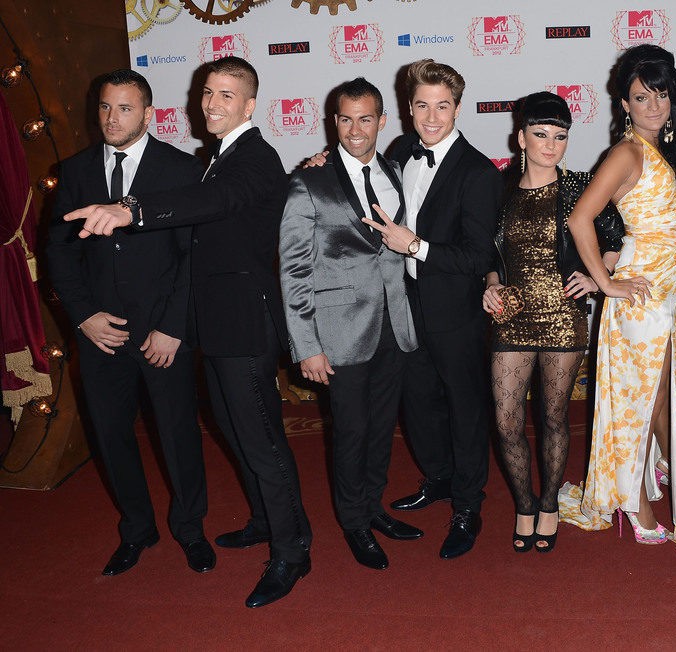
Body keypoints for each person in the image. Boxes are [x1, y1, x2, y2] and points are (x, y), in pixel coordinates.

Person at [64, 56, 312, 607]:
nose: (211, 103)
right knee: (234, 431)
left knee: (264, 442)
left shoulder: (253, 156)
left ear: (250, 105)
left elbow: (214, 203)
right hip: (215, 328)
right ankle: (266, 523)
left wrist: (131, 210)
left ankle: (293, 552)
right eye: (206, 92)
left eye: (226, 95)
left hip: (245, 326)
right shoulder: (219, 157)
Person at [46, 69, 213, 577]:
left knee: (178, 433)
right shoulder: (73, 171)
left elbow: (194, 258)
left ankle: (190, 529)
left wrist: (174, 326)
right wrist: (84, 317)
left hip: (163, 333)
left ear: (148, 112)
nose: (111, 118)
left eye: (123, 108)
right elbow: (58, 252)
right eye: (104, 107)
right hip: (100, 335)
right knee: (112, 434)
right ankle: (137, 529)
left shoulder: (183, 170)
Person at [279, 78, 422, 571]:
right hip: (338, 332)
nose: (355, 129)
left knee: (383, 428)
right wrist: (306, 345)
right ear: (332, 122)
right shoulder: (308, 181)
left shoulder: (398, 169)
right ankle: (353, 522)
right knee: (352, 431)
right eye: (345, 119)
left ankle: (373, 506)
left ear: (383, 122)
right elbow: (293, 269)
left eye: (365, 119)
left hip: (395, 325)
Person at [562, 44, 676, 544]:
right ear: (624, 103)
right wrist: (606, 281)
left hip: (665, 294)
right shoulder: (627, 152)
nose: (654, 105)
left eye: (661, 94)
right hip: (641, 300)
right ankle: (640, 501)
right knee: (651, 401)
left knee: (658, 399)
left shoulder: (668, 148)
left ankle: (652, 488)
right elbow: (580, 219)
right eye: (641, 97)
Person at [367, 59, 502, 559]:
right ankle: (439, 479)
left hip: (456, 310)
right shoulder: (401, 150)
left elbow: (477, 256)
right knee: (418, 400)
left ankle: (467, 505)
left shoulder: (479, 171)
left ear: (458, 108)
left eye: (441, 106)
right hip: (405, 303)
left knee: (465, 408)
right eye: (421, 105)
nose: (431, 116)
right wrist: (325, 159)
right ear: (408, 108)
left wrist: (415, 245)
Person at [482, 92, 624, 553]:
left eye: (559, 136)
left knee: (554, 417)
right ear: (520, 137)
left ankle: (547, 506)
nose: (549, 145)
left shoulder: (579, 186)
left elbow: (615, 235)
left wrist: (597, 278)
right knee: (506, 421)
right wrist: (490, 284)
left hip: (563, 316)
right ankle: (524, 503)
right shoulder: (499, 190)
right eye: (540, 135)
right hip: (513, 316)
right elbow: (490, 253)